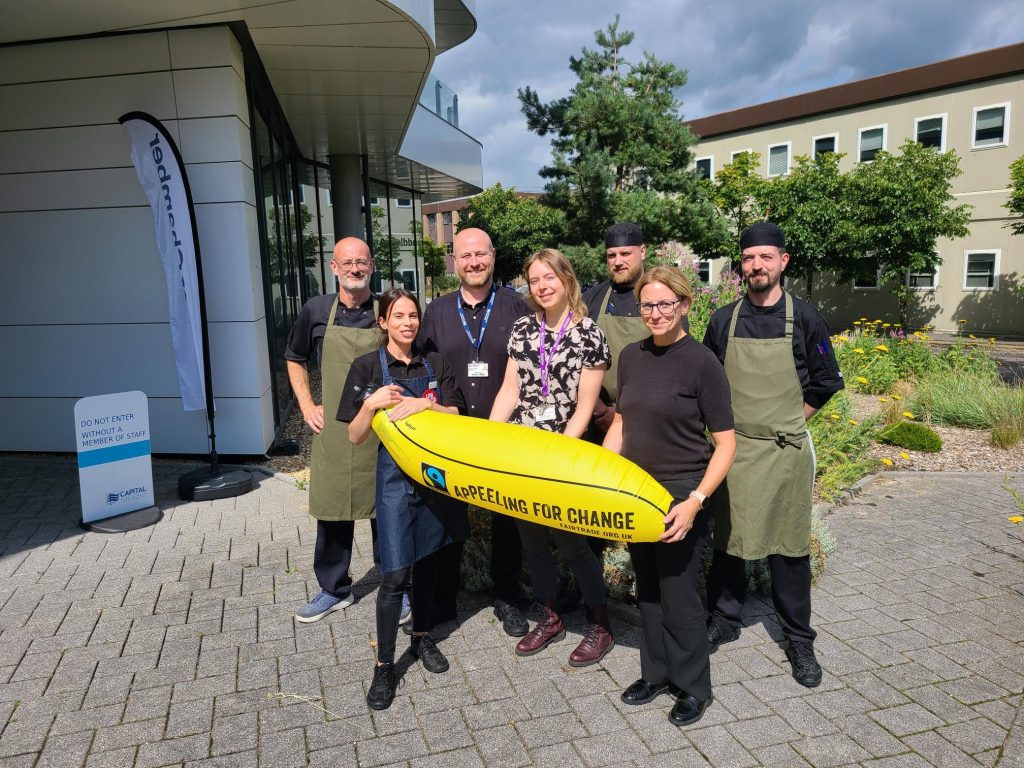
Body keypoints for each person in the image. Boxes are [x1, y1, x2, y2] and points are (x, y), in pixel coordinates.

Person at [703, 222, 844, 688]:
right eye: (748, 258)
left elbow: (825, 379)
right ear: (740, 265)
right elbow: (708, 383)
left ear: (783, 261)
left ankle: (798, 637)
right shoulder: (723, 319)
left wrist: (790, 420)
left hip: (784, 452)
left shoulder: (806, 318)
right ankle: (724, 619)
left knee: (789, 549)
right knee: (728, 540)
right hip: (736, 451)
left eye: (765, 257)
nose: (756, 266)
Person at [602, 266, 736, 727]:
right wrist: (603, 476)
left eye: (664, 304)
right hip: (637, 491)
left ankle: (694, 686)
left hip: (682, 494)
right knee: (650, 589)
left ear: (684, 305)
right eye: (647, 304)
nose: (655, 313)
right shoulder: (632, 356)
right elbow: (620, 423)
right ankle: (656, 673)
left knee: (679, 595)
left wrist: (696, 500)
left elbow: (726, 443)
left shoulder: (702, 363)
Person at [339, 289, 467, 710]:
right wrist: (370, 405)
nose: (408, 323)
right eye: (399, 316)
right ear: (383, 322)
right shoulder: (366, 368)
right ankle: (383, 666)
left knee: (429, 565)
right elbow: (355, 437)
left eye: (413, 315)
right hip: (394, 485)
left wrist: (422, 406)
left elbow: (457, 415)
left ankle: (422, 638)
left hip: (434, 482)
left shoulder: (437, 364)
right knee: (395, 577)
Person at [489, 248, 614, 666]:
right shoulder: (523, 329)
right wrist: (489, 437)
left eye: (549, 278)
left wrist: (560, 450)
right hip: (524, 450)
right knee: (533, 541)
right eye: (534, 280)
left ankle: (601, 625)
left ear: (566, 279)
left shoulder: (589, 334)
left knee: (572, 542)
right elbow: (511, 390)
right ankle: (551, 616)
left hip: (564, 451)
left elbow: (584, 406)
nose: (542, 287)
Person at [419, 227, 532, 637]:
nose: (473, 263)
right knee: (447, 517)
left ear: (493, 256)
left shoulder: (517, 305)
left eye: (480, 255)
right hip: (452, 433)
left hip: (505, 433)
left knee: (507, 518)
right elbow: (420, 365)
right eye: (465, 256)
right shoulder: (436, 312)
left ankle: (507, 596)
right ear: (454, 260)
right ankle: (443, 601)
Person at [286, 237, 387, 623]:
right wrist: (308, 404)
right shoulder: (316, 310)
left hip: (381, 428)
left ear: (372, 266)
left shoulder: (386, 309)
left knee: (388, 509)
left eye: (362, 262)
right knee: (332, 510)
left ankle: (398, 587)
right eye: (347, 263)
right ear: (334, 267)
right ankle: (333, 588)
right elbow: (294, 358)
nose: (355, 269)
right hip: (333, 430)